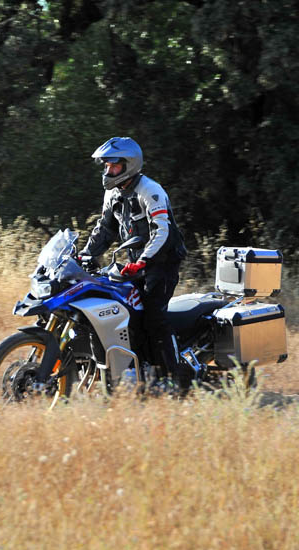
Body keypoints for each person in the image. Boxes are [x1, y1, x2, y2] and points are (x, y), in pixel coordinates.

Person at [80, 136, 188, 388]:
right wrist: (84, 254)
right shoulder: (113, 192)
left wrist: (144, 261)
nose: (108, 171)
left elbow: (162, 231)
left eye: (114, 165)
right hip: (135, 265)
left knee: (153, 317)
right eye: (106, 166)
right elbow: (104, 229)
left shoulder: (150, 190)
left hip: (162, 264)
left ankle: (175, 379)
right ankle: (140, 373)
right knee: (125, 313)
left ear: (129, 165)